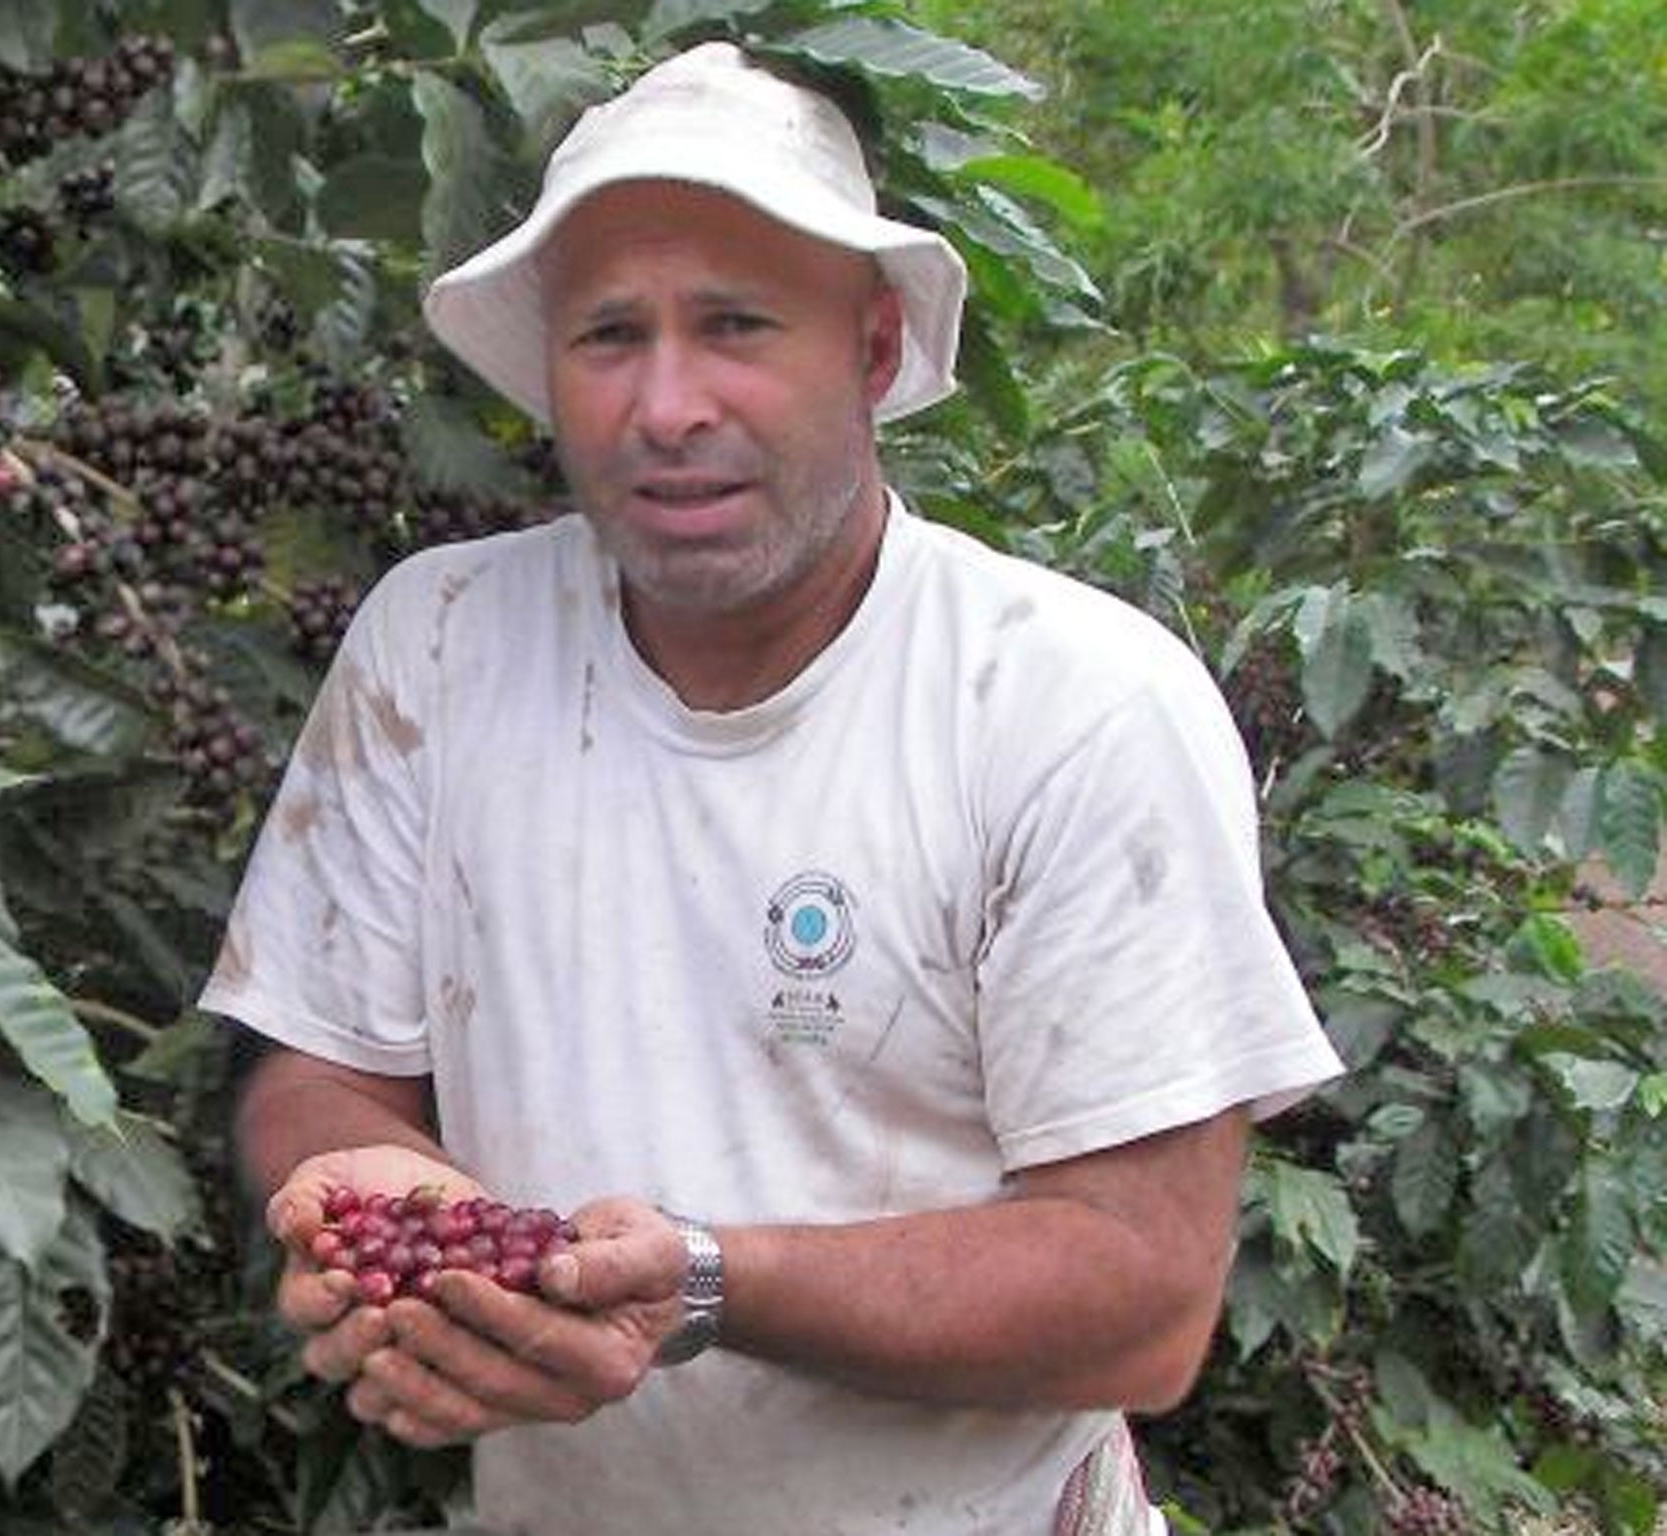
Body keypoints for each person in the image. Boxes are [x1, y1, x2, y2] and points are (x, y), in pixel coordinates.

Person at [199, 39, 1344, 1536]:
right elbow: (321, 1064)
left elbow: (1140, 1294)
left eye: (734, 325)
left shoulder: (1070, 705)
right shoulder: (443, 643)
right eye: (611, 336)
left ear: (871, 349)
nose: (666, 405)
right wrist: (384, 1211)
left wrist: (698, 1279)